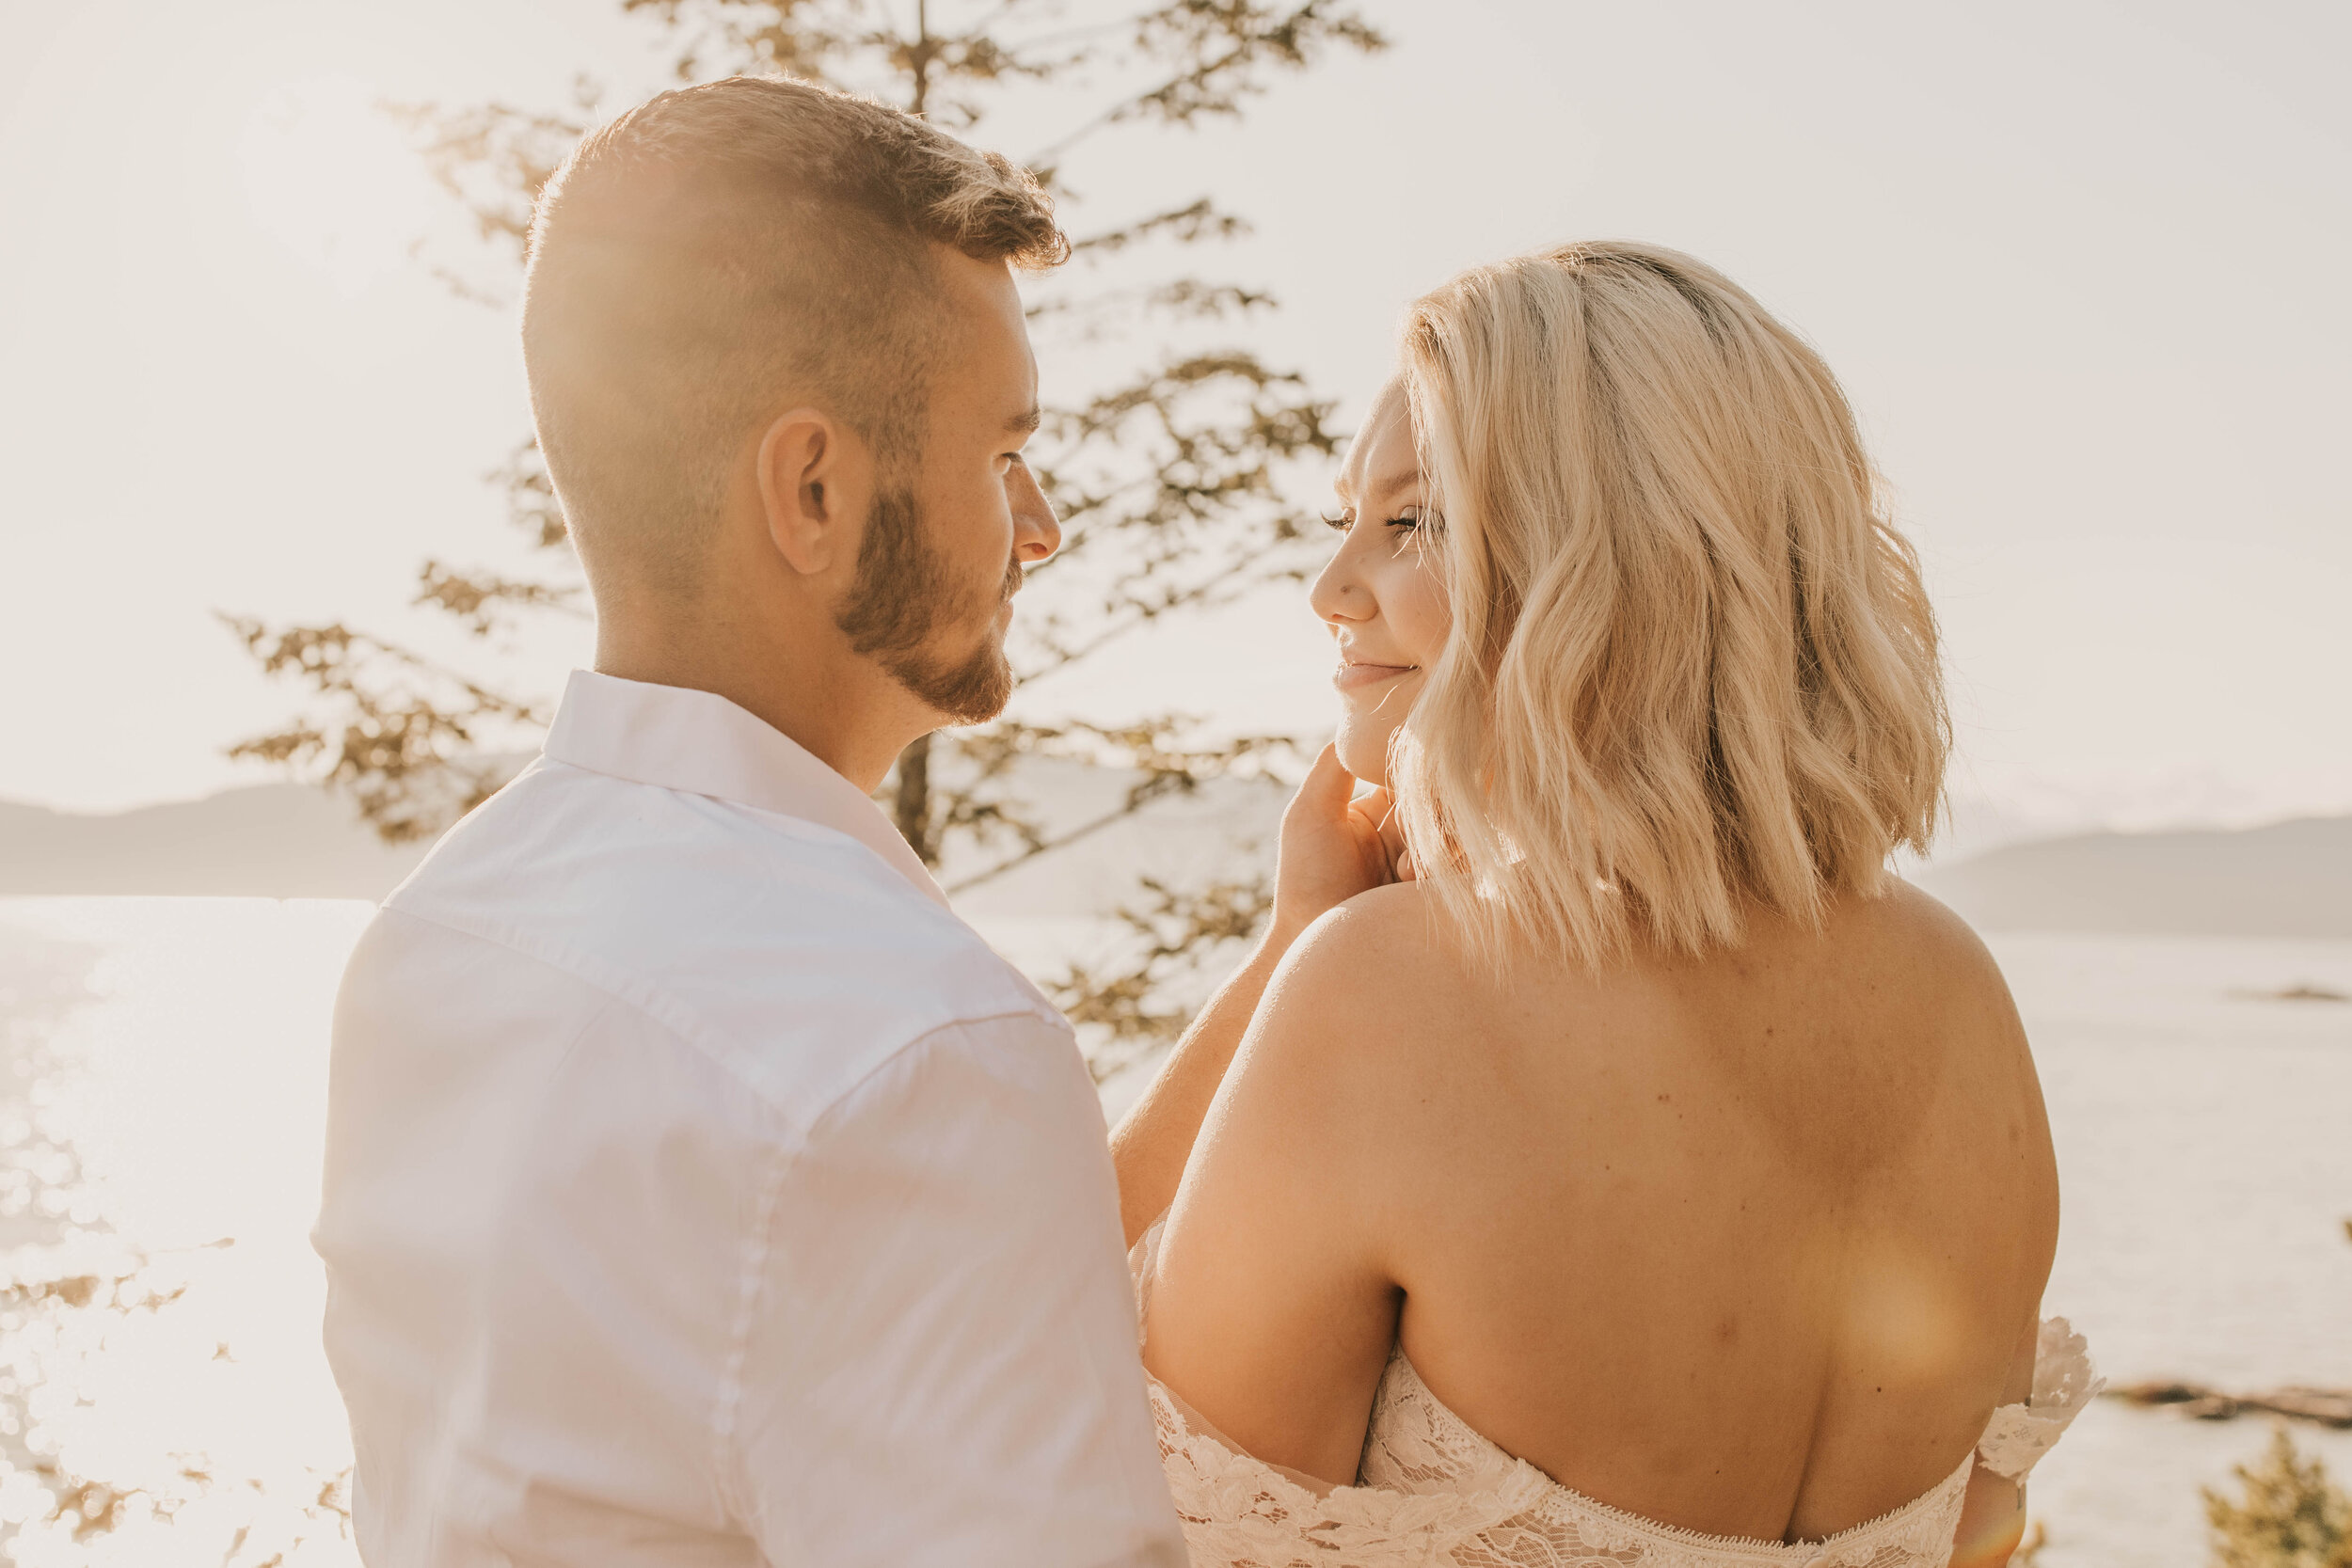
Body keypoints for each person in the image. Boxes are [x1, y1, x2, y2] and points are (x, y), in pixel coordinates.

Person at [1112, 243, 2098, 1568]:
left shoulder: (1392, 995)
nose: (1331, 587)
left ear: (1611, 552)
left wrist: (1296, 947)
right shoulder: (1959, 989)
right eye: (1344, 516)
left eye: (1413, 521)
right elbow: (1982, 1533)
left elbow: (1091, 1476)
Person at [313, 77, 1184, 1566]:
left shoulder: (435, 937)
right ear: (815, 489)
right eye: (1001, 455)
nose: (1041, 527)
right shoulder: (919, 1052)